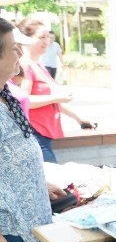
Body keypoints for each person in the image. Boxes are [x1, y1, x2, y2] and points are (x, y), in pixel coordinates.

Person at [0, 18, 64, 242]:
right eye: (13, 48)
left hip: (23, 229)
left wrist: (38, 183)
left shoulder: (6, 94)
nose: (20, 54)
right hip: (7, 233)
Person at [16, 18, 93, 162]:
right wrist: (57, 98)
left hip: (44, 133)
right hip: (34, 133)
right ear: (26, 39)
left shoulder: (38, 65)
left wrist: (79, 118)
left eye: (48, 37)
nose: (47, 41)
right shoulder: (25, 65)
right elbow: (24, 100)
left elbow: (51, 102)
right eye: (41, 37)